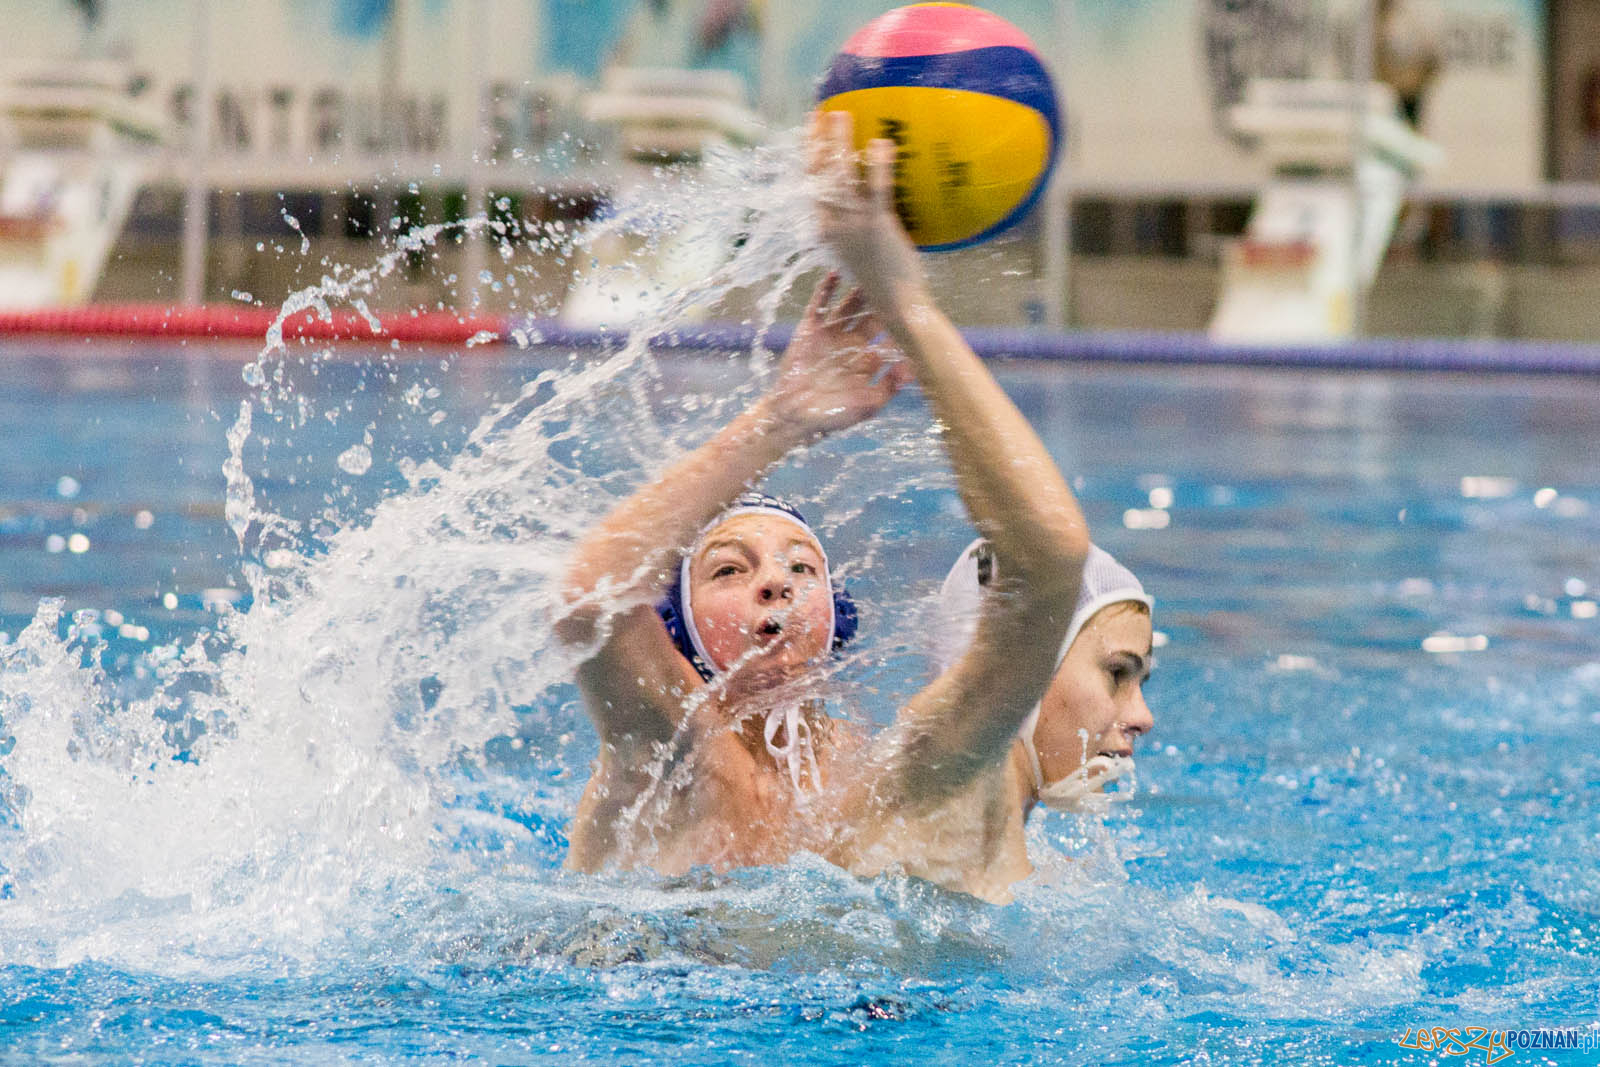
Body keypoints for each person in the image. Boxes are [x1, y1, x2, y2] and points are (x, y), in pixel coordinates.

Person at [554, 110, 1090, 883]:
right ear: (675, 629)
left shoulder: (902, 779)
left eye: (802, 568)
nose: (775, 580)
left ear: (836, 613)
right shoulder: (664, 757)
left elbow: (1051, 562)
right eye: (729, 570)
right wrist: (779, 419)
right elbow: (589, 600)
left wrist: (910, 309)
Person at [847, 538, 1154, 904]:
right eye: (1117, 673)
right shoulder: (939, 783)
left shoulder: (1022, 860)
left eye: (1141, 682)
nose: (1142, 717)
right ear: (1020, 666)